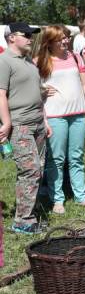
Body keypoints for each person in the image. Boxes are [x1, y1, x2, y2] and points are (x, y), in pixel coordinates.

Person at [35, 25, 85, 213]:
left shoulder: (76, 57)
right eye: (61, 38)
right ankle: (57, 200)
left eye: (67, 37)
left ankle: (81, 197)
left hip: (78, 114)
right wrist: (41, 90)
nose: (65, 41)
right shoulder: (39, 61)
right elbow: (30, 86)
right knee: (57, 159)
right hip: (54, 116)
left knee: (77, 157)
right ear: (50, 41)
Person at [0, 23, 49, 234]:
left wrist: (44, 120)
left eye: (31, 35)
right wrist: (7, 122)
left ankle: (31, 213)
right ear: (11, 38)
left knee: (38, 169)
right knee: (30, 169)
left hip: (38, 123)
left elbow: (34, 93)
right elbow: (0, 94)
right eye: (26, 35)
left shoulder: (28, 61)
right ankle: (22, 221)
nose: (31, 38)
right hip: (20, 125)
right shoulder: (3, 61)